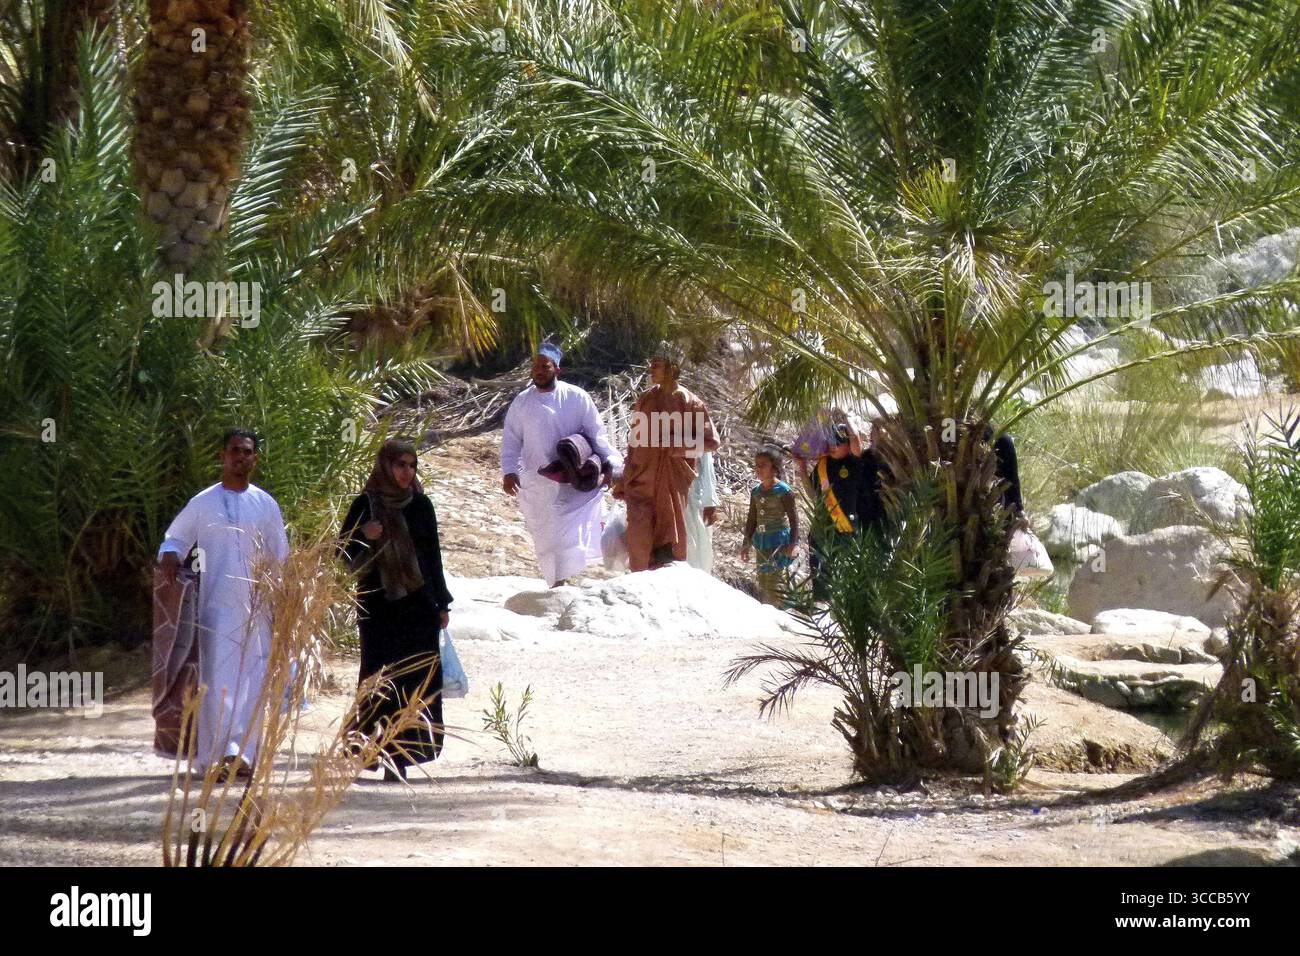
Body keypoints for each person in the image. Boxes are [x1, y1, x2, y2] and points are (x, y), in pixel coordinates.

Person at [157, 429, 290, 778]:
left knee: (252, 680)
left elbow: (281, 557)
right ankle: (213, 757)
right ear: (223, 456)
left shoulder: (265, 504)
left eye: (247, 452)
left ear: (255, 459)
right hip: (215, 609)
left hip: (257, 608)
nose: (240, 458)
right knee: (216, 681)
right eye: (234, 451)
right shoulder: (204, 502)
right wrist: (170, 555)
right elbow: (175, 537)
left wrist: (283, 598)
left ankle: (244, 755)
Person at [339, 440, 453, 782]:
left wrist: (442, 603)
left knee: (416, 680)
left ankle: (403, 755)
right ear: (385, 466)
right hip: (379, 608)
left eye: (411, 465)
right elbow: (342, 556)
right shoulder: (366, 506)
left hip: (418, 609)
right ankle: (372, 752)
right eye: (400, 465)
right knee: (380, 680)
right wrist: (363, 534)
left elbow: (432, 558)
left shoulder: (421, 506)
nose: (406, 472)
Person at [501, 341, 622, 587]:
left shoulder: (577, 397)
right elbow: (511, 439)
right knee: (545, 536)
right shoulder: (522, 402)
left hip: (572, 481)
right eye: (535, 367)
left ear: (557, 369)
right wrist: (509, 471)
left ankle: (561, 580)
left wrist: (610, 465)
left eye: (544, 366)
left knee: (567, 534)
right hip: (537, 482)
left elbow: (596, 433)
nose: (538, 371)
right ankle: (556, 580)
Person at [614, 345, 720, 571]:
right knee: (638, 540)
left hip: (671, 483)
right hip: (640, 480)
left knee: (666, 543)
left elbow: (711, 443)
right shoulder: (646, 399)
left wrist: (679, 447)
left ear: (673, 368)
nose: (651, 369)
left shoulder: (690, 403)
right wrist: (624, 479)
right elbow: (634, 441)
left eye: (657, 365)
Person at [794, 415, 883, 599]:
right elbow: (813, 495)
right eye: (832, 441)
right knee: (819, 570)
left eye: (840, 441)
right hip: (823, 529)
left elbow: (856, 440)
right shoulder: (823, 464)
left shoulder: (856, 461)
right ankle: (821, 603)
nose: (834, 445)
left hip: (847, 529)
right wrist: (802, 468)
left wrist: (846, 418)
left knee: (848, 575)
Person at [740, 450, 799, 605]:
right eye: (757, 465)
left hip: (779, 543)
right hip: (762, 543)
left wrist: (794, 544)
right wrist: (746, 544)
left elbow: (794, 519)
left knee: (777, 582)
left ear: (774, 468)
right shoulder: (756, 492)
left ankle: (783, 616)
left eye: (763, 465)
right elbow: (752, 519)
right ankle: (768, 613)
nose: (759, 469)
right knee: (764, 582)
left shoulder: (783, 491)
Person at [684, 449, 719, 572]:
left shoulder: (697, 430)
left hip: (692, 493)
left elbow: (706, 465)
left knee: (697, 544)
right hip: (665, 493)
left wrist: (710, 501)